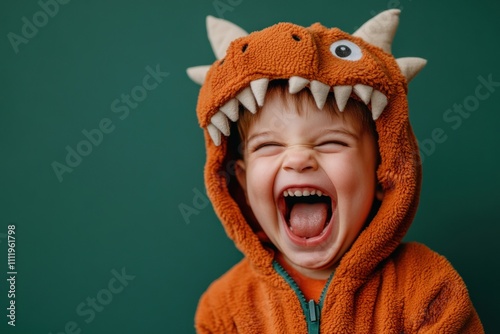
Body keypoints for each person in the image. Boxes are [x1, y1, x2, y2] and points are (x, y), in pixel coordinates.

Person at [187, 9, 483, 333]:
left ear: (382, 173)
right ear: (242, 182)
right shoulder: (223, 310)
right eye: (268, 145)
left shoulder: (428, 288)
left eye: (332, 142)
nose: (298, 159)